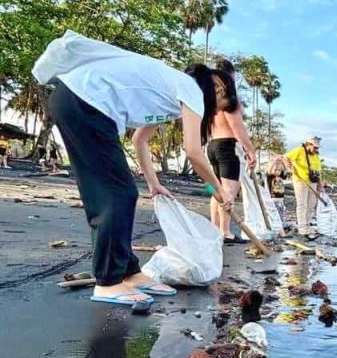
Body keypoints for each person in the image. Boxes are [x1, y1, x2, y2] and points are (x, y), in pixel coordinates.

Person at [33, 30, 233, 309]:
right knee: (114, 195)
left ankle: (131, 272)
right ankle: (108, 282)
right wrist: (220, 191)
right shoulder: (192, 88)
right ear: (218, 90)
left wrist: (153, 183)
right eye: (221, 106)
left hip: (80, 103)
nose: (216, 113)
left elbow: (140, 139)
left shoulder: (174, 89)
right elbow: (194, 152)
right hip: (84, 103)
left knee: (123, 193)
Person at [205, 65, 257, 243]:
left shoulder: (210, 99)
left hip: (213, 145)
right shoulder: (228, 99)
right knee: (227, 192)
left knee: (217, 190)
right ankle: (225, 232)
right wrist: (250, 150)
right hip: (227, 146)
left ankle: (215, 229)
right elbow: (237, 127)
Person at [286, 135, 323, 238]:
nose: (316, 149)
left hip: (313, 182)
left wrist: (320, 184)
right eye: (314, 147)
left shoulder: (316, 156)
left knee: (311, 204)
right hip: (300, 181)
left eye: (317, 148)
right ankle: (302, 227)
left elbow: (318, 171)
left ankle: (307, 224)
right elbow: (286, 158)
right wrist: (290, 168)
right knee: (302, 204)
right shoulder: (299, 151)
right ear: (308, 144)